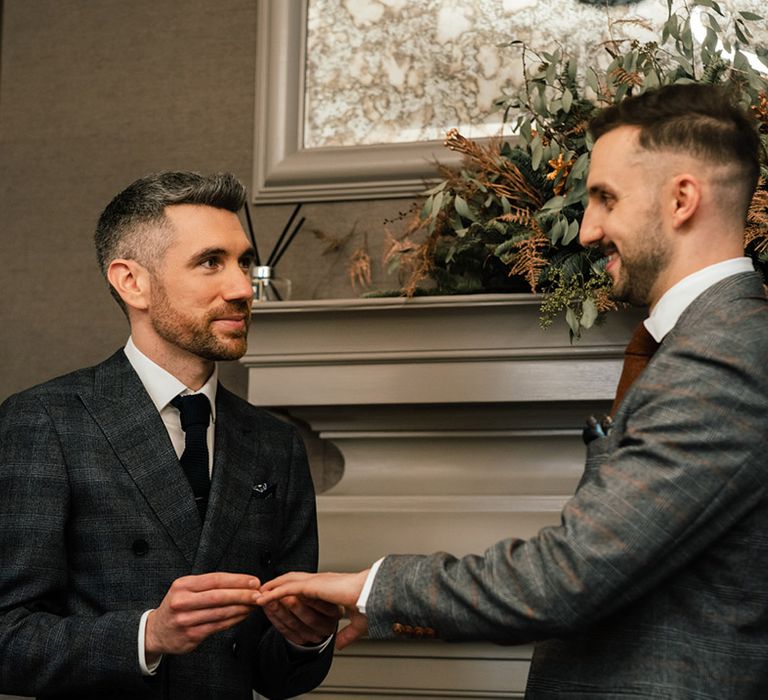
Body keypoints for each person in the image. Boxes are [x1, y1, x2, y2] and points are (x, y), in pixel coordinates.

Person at [255, 83, 768, 698]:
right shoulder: (706, 342)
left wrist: (374, 585)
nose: (587, 231)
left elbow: (571, 576)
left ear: (682, 198)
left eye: (605, 198)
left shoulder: (726, 354)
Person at [0, 171, 340, 699]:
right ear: (130, 281)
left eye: (243, 262)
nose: (241, 288)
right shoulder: (43, 421)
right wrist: (147, 636)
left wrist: (309, 640)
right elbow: (6, 637)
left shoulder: (276, 443)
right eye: (211, 262)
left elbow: (279, 677)